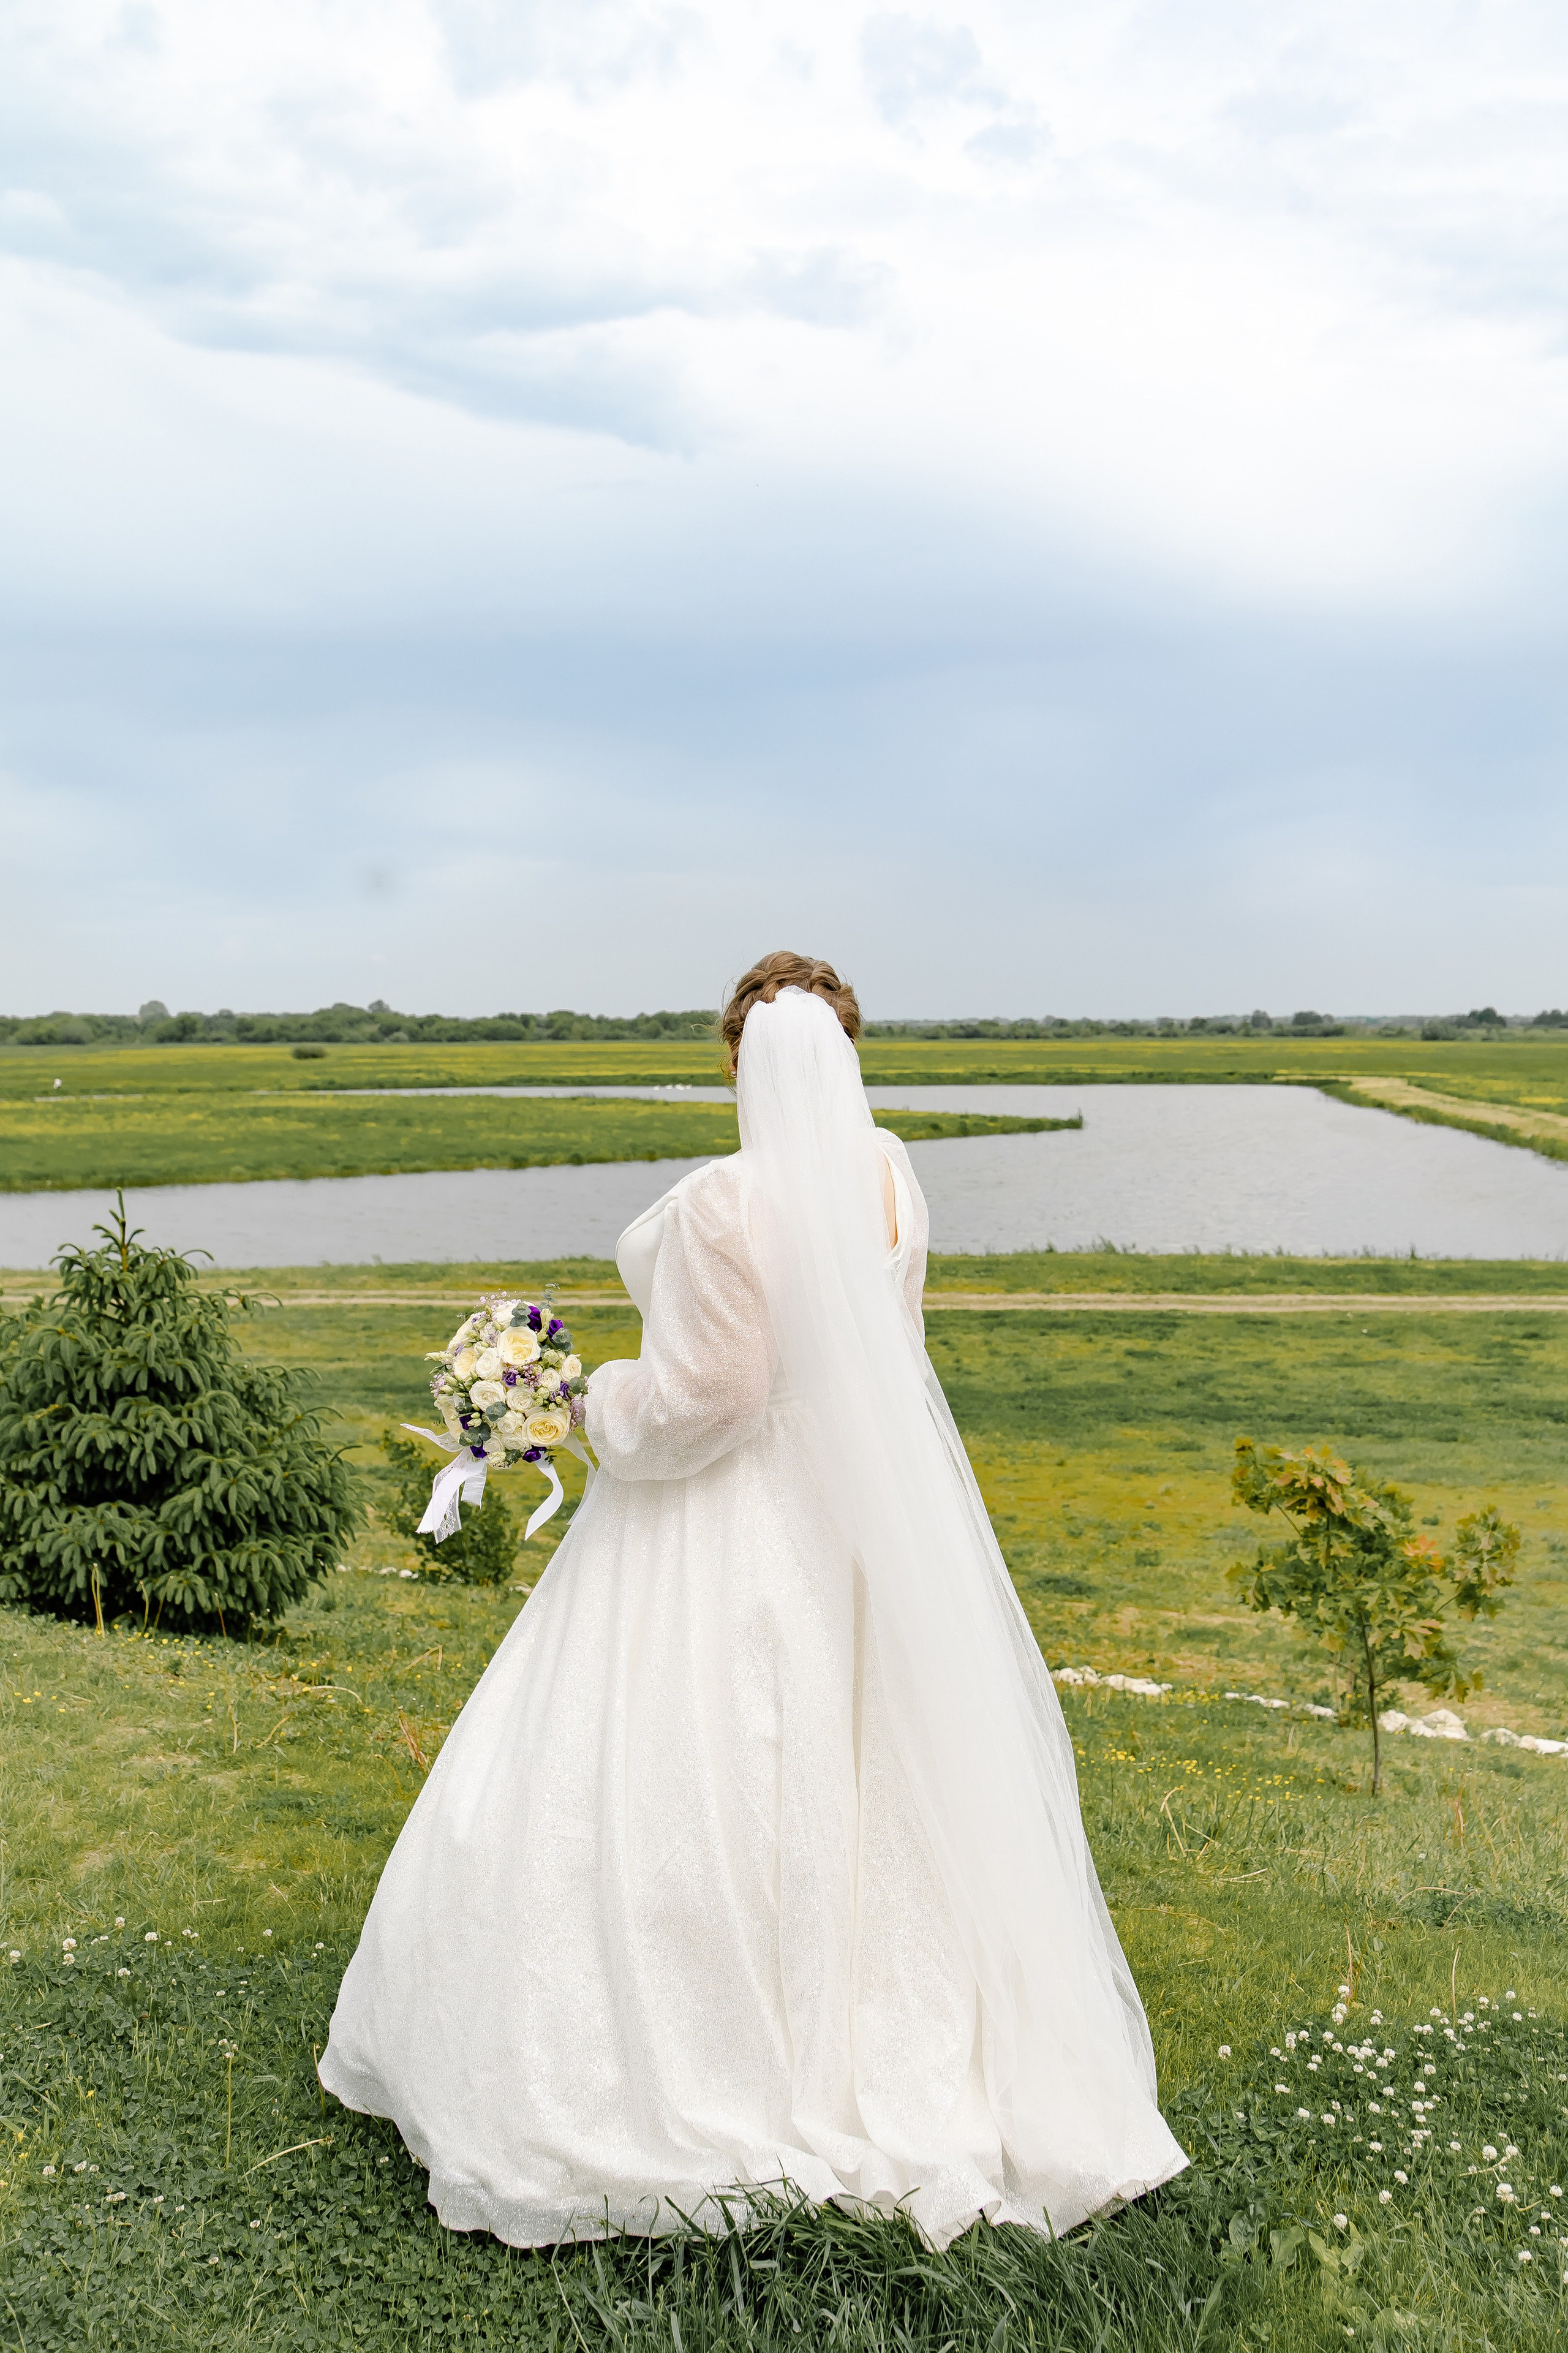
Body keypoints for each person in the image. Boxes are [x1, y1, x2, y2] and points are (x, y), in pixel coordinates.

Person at [319, 951, 1186, 2249]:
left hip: (729, 1517)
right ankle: (887, 2037)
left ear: (736, 1058)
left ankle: (698, 2057)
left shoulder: (726, 1202)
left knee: (693, 1758)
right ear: (848, 1054)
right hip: (865, 1511)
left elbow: (708, 1403)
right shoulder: (891, 1175)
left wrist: (587, 1403)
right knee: (873, 1762)